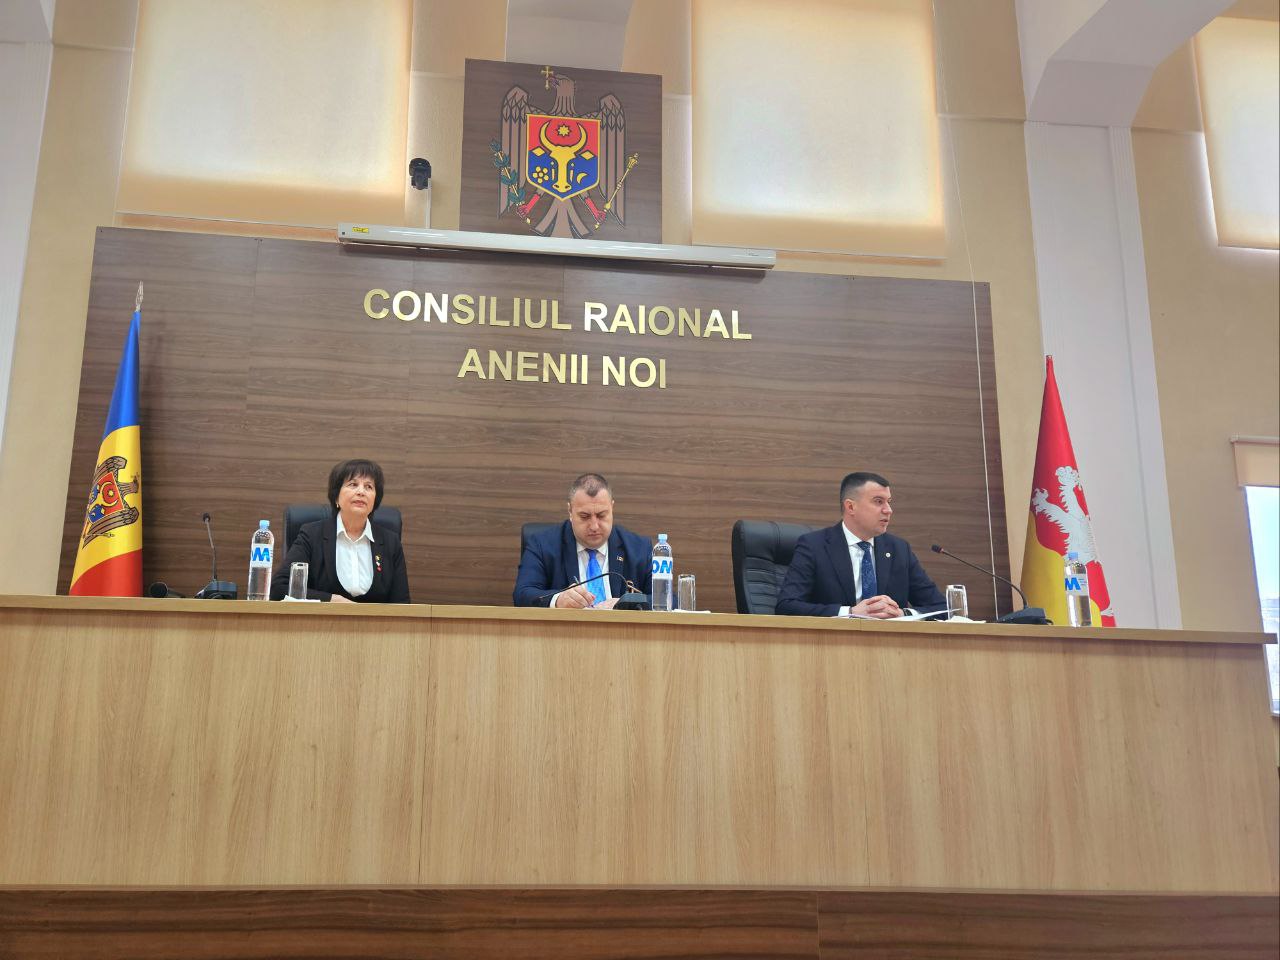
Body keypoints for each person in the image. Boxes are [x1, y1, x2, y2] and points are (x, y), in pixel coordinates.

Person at [776, 471, 944, 618]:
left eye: (889, 502)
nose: (888, 510)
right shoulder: (814, 546)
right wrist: (851, 613)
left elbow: (941, 607)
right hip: (833, 641)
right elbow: (787, 606)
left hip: (888, 642)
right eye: (878, 501)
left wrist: (902, 614)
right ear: (851, 507)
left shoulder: (899, 549)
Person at [270, 458, 410, 603]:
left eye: (368, 487)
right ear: (336, 496)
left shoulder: (390, 542)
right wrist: (331, 600)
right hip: (323, 617)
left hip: (376, 619)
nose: (361, 492)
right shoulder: (312, 535)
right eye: (353, 484)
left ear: (375, 499)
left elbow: (402, 604)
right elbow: (279, 588)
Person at [513, 473, 651, 608]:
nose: (594, 526)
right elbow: (522, 595)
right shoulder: (542, 545)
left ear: (612, 508)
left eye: (601, 515)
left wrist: (628, 603)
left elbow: (662, 599)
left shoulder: (640, 549)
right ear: (570, 511)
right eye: (584, 516)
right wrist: (558, 599)